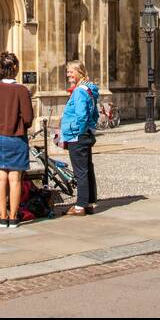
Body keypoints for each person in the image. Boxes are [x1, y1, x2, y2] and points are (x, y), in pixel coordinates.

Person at [0, 51, 33, 229]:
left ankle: (3, 217)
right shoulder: (21, 90)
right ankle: (13, 217)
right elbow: (28, 118)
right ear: (15, 67)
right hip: (16, 139)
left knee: (0, 179)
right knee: (15, 179)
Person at [60, 60, 100, 215]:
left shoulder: (79, 92)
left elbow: (81, 116)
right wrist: (89, 129)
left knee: (80, 172)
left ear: (79, 72)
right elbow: (95, 115)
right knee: (86, 169)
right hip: (85, 135)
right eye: (68, 71)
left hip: (77, 136)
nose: (68, 74)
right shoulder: (88, 90)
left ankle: (80, 206)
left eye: (71, 71)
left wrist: (77, 131)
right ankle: (89, 202)